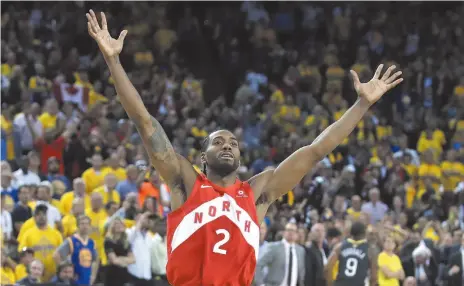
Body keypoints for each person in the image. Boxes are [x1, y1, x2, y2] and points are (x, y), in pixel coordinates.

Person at [86, 9, 403, 286]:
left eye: (233, 143)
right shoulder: (186, 181)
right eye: (218, 142)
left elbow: (316, 150)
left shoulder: (257, 192)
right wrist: (113, 60)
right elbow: (144, 121)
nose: (228, 146)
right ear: (203, 157)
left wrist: (362, 104)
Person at [325, 222, 376, 286]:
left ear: (350, 232)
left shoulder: (339, 246)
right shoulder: (370, 250)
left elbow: (327, 268)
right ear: (364, 233)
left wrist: (330, 284)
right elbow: (374, 277)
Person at [53, 215, 98, 286]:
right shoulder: (71, 241)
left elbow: (95, 260)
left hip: (87, 278)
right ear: (77, 226)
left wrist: (93, 276)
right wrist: (66, 272)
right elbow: (56, 255)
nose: (85, 226)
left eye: (87, 224)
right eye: (82, 224)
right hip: (74, 280)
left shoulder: (92, 242)